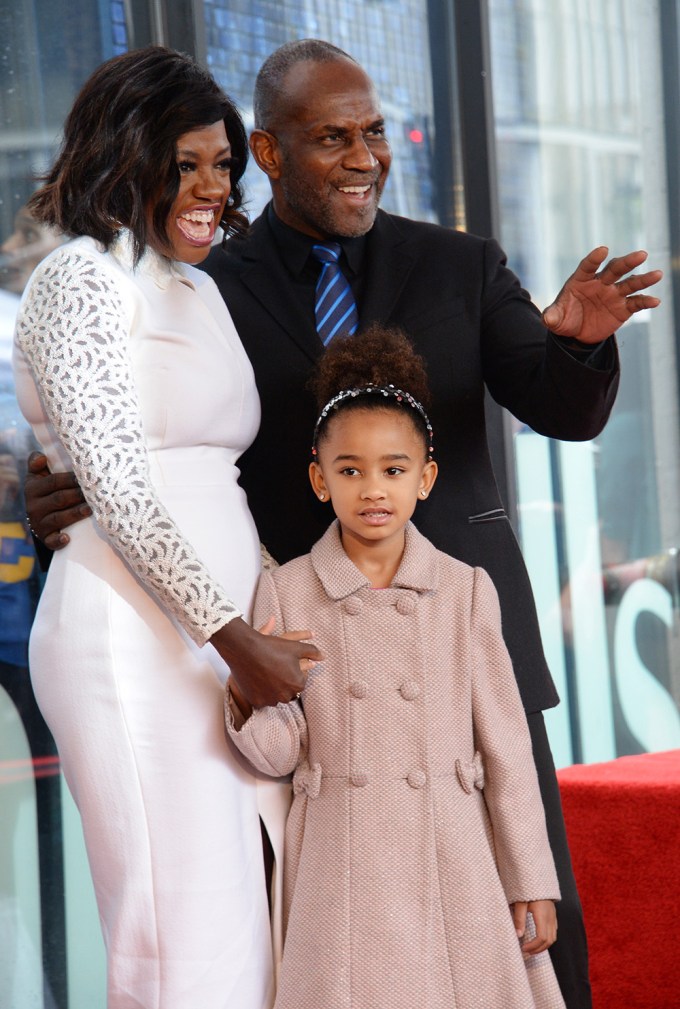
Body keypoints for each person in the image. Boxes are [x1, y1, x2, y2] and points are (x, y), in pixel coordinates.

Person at [24, 38, 663, 1009]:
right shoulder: (207, 280)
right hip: (298, 658)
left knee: (524, 919)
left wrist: (575, 345)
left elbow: (559, 410)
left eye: (374, 134)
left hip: (456, 637)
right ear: (273, 155)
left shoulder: (459, 264)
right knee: (331, 924)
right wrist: (54, 484)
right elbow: (146, 435)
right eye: (333, 138)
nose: (365, 156)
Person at [12, 45, 319, 1009]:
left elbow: (215, 483)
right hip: (130, 643)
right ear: (123, 157)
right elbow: (120, 491)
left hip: (224, 647)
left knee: (248, 936)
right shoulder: (81, 278)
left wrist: (272, 619)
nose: (210, 185)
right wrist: (237, 642)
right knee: (179, 943)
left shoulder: (199, 288)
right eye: (184, 163)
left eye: (222, 163)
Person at [225, 323, 566, 1009]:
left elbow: (506, 749)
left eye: (393, 469)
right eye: (350, 470)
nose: (372, 489)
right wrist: (246, 688)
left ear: (425, 478)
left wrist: (530, 874)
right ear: (320, 479)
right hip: (338, 861)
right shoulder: (287, 588)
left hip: (454, 853)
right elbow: (279, 753)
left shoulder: (465, 590)